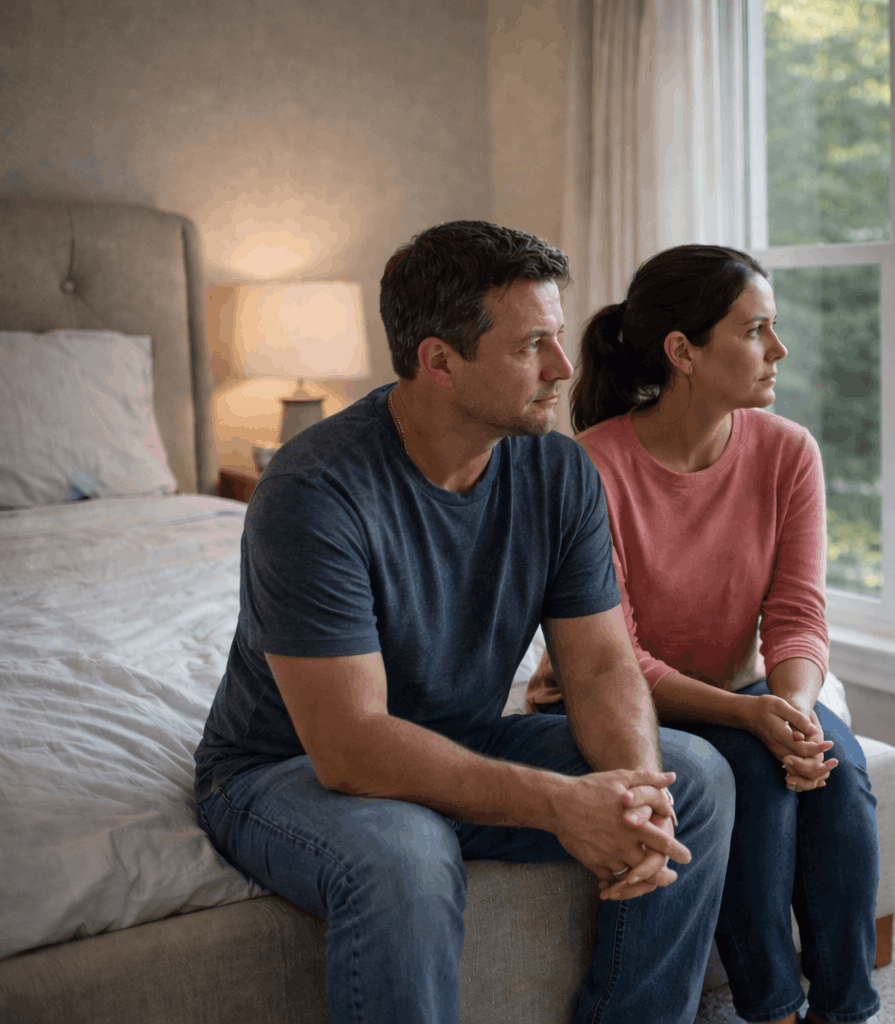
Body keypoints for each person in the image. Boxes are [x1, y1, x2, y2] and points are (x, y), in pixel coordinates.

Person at [192, 222, 734, 1024]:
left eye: (558, 336)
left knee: (693, 779)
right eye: (531, 348)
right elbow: (348, 747)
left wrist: (632, 790)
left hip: (462, 735)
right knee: (407, 855)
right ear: (439, 361)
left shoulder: (558, 469)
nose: (564, 368)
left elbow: (598, 666)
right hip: (285, 769)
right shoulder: (312, 491)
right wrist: (558, 803)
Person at [525, 245, 881, 1024]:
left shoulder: (788, 452)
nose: (778, 351)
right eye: (756, 331)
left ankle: (848, 1010)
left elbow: (796, 612)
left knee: (839, 775)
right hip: (613, 700)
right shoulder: (591, 467)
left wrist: (790, 708)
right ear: (682, 352)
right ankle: (775, 1008)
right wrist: (751, 718)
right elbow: (617, 656)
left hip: (741, 690)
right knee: (751, 778)